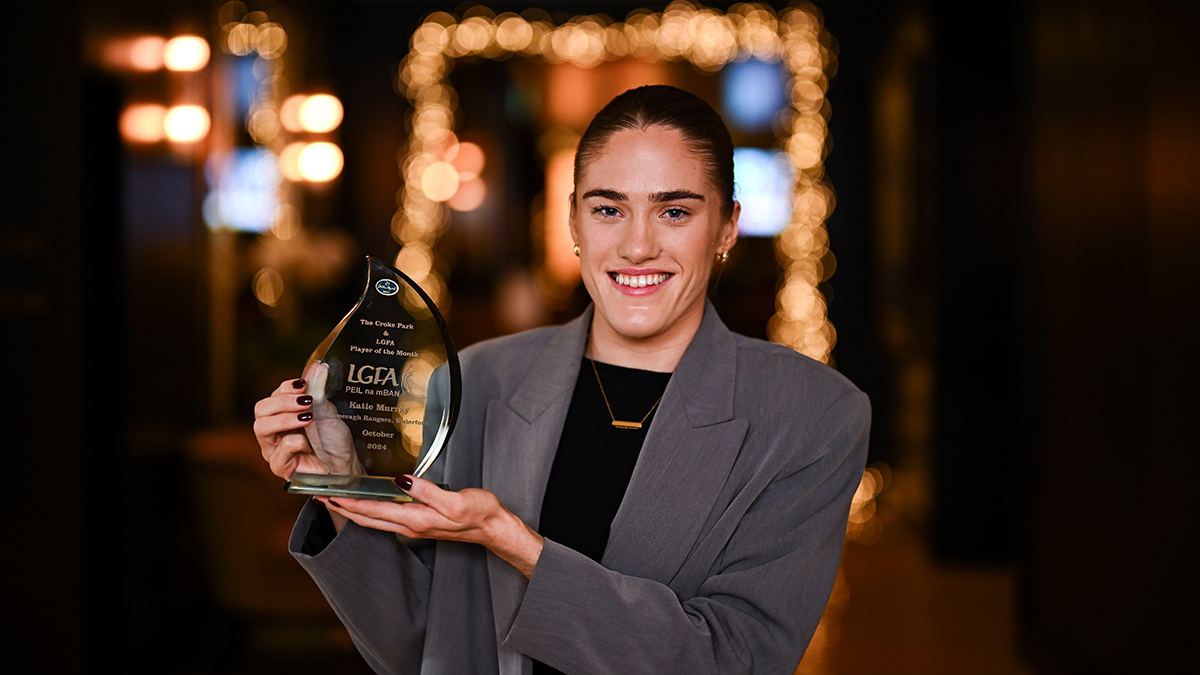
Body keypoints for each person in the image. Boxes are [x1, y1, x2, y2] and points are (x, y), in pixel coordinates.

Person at [253, 85, 870, 675]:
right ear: (573, 223)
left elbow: (737, 660)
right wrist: (339, 489)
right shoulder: (479, 378)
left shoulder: (812, 414)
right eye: (607, 209)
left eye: (675, 211)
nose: (636, 246)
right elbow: (421, 647)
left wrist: (515, 544)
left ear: (728, 227)